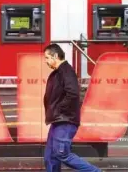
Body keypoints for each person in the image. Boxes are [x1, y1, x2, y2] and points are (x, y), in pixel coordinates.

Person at [43, 43, 102, 172]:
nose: (46, 61)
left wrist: (59, 109)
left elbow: (73, 93)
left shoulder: (66, 71)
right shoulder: (60, 72)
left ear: (56, 56)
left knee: (61, 154)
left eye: (47, 58)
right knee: (50, 156)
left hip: (65, 120)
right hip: (58, 120)